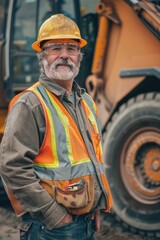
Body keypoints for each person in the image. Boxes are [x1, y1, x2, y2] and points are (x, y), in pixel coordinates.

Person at [0, 14, 112, 240]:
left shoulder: (86, 102)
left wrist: (97, 205)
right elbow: (13, 167)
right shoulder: (30, 104)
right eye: (55, 48)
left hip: (86, 222)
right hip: (50, 228)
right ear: (42, 57)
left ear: (79, 57)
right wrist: (56, 217)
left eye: (71, 48)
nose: (64, 55)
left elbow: (92, 159)